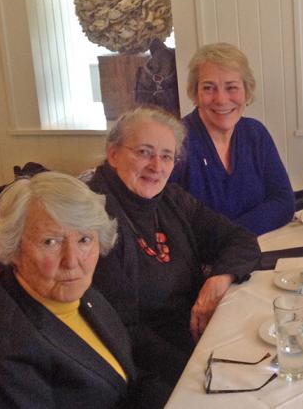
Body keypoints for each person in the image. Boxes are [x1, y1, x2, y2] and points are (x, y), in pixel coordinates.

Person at [88, 106, 261, 406]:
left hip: (199, 333)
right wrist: (197, 365)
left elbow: (239, 239)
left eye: (167, 156)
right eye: (144, 152)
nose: (157, 166)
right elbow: (121, 331)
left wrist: (219, 278)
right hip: (144, 368)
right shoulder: (93, 217)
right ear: (113, 154)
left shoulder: (170, 199)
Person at [0, 172, 136, 407]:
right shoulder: (4, 345)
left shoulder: (72, 290)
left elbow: (125, 378)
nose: (72, 261)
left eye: (84, 239)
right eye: (50, 242)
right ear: (14, 249)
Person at [170, 42, 295, 235]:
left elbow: (283, 201)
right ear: (195, 94)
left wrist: (231, 235)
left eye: (232, 87)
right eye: (209, 88)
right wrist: (230, 238)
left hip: (255, 248)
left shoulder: (255, 133)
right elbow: (167, 221)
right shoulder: (175, 142)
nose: (221, 99)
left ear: (247, 91)